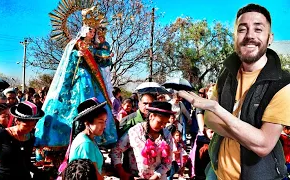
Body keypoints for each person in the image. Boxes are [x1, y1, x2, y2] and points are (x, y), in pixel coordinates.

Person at [179, 4, 290, 179]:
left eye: (258, 29)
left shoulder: (283, 84)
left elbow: (264, 145)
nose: (250, 36)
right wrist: (249, 136)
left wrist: (217, 109)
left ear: (270, 38)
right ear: (235, 37)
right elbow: (209, 119)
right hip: (216, 172)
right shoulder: (227, 72)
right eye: (242, 30)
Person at [34, 21, 117, 149]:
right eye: (90, 30)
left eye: (94, 31)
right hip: (79, 75)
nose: (92, 33)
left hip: (92, 77)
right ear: (84, 30)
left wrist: (107, 56)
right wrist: (77, 55)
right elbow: (69, 57)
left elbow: (98, 57)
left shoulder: (94, 46)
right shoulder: (76, 43)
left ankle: (99, 135)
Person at [0, 101, 47, 180]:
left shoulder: (30, 138)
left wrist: (39, 172)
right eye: (26, 125)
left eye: (33, 125)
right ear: (17, 121)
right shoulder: (2, 134)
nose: (30, 128)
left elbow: (26, 162)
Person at [111, 101, 175, 180]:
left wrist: (155, 176)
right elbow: (116, 151)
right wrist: (122, 172)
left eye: (165, 123)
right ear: (151, 116)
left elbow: (168, 162)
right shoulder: (135, 132)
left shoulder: (167, 135)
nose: (162, 126)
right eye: (159, 122)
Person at [68, 98, 107, 180]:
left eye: (105, 121)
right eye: (100, 122)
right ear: (87, 123)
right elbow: (93, 176)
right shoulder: (86, 144)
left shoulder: (89, 139)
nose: (104, 126)